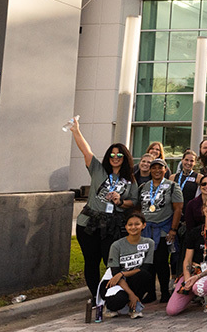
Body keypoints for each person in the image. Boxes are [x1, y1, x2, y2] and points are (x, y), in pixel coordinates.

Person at [70, 119, 137, 298]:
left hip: (111, 227)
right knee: (91, 262)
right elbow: (86, 151)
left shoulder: (130, 180)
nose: (115, 158)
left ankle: (111, 294)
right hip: (89, 224)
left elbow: (134, 202)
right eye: (112, 155)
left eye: (119, 155)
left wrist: (121, 201)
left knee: (111, 261)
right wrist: (76, 130)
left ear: (125, 158)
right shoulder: (98, 171)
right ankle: (96, 296)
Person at [138, 157, 183, 303]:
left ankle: (164, 292)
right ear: (150, 170)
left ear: (165, 170)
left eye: (160, 168)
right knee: (147, 263)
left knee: (161, 262)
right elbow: (139, 208)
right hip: (146, 231)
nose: (157, 170)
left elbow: (178, 209)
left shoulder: (172, 186)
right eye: (154, 168)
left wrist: (173, 230)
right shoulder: (144, 186)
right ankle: (150, 293)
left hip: (163, 229)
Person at [101, 212, 154, 318]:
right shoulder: (116, 245)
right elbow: (115, 274)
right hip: (113, 282)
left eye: (137, 224)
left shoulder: (149, 243)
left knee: (145, 275)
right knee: (119, 299)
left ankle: (133, 307)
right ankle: (110, 306)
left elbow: (144, 268)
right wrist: (131, 295)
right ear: (126, 227)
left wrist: (122, 273)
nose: (133, 227)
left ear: (144, 225)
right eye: (130, 225)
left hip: (131, 278)